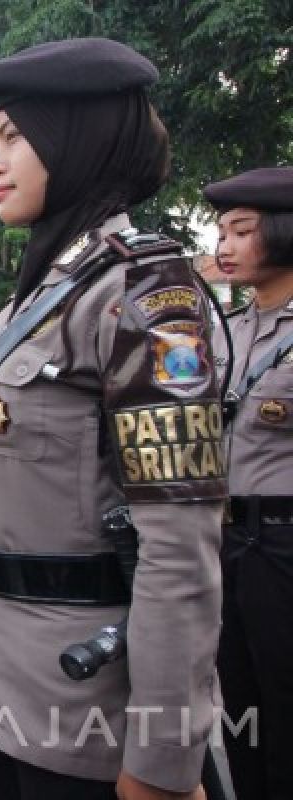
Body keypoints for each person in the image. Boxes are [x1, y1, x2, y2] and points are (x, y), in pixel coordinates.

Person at [0, 38, 226, 798]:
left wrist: (163, 761)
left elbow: (180, 547)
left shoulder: (145, 295)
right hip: (6, 678)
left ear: (76, 135)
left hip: (87, 711)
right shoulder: (44, 296)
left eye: (14, 136)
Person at [203, 167, 293, 800]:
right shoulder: (227, 335)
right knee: (241, 703)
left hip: (286, 544)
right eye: (221, 232)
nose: (223, 246)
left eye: (242, 231)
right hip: (227, 541)